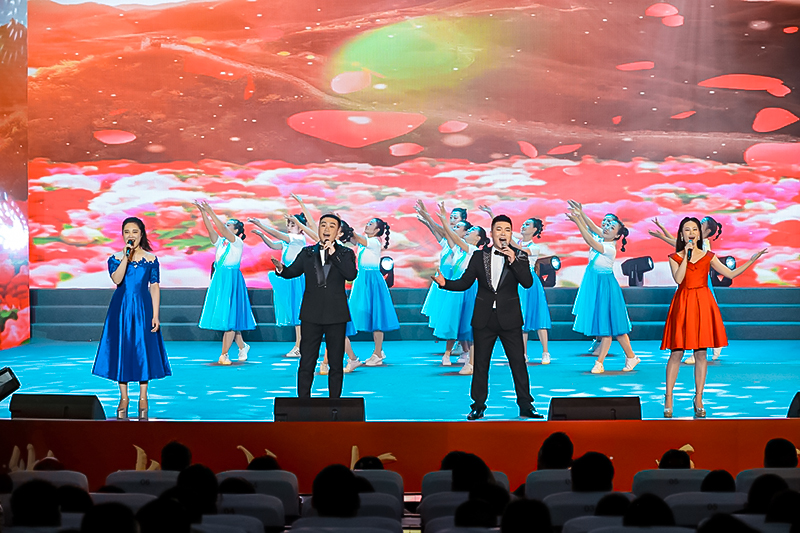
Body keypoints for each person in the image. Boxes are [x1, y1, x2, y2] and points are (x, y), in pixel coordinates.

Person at [433, 215, 544, 420]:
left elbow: (528, 282)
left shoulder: (520, 256)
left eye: (507, 230)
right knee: (481, 364)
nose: (503, 233)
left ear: (511, 234)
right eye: (499, 229)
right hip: (484, 318)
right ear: (492, 233)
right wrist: (445, 283)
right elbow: (465, 282)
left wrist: (514, 260)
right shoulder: (479, 256)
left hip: (510, 318)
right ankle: (478, 405)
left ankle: (526, 405)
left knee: (518, 363)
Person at [662, 217, 767, 418]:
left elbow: (730, 274)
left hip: (702, 303)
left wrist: (751, 260)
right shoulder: (674, 257)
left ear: (699, 234)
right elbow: (679, 279)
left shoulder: (709, 256)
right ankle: (668, 397)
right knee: (676, 353)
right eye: (687, 229)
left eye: (694, 229)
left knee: (701, 353)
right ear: (681, 234)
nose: (691, 233)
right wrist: (686, 257)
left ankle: (698, 398)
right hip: (683, 303)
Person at [92, 216, 171, 421]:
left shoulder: (151, 259)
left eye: (135, 232)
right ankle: (124, 397)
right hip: (121, 309)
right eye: (127, 232)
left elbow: (154, 287)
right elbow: (117, 279)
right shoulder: (115, 258)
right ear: (122, 235)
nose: (131, 235)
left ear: (141, 234)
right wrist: (126, 257)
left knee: (143, 348)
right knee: (123, 349)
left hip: (143, 308)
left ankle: (144, 397)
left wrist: (156, 314)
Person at [273, 213, 358, 398]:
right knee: (307, 361)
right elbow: (292, 271)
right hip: (311, 314)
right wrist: (281, 270)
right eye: (323, 225)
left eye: (331, 226)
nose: (326, 229)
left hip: (336, 315)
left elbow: (350, 274)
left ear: (338, 232)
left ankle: (334, 403)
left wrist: (333, 253)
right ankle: (303, 402)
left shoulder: (345, 253)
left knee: (335, 363)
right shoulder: (307, 252)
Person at [566, 201, 639, 373]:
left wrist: (578, 222)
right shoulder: (603, 238)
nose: (606, 228)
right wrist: (582, 214)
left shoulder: (609, 248)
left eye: (612, 227)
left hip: (606, 287)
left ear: (617, 235)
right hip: (598, 284)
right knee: (616, 328)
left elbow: (590, 240)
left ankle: (599, 362)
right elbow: (593, 228)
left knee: (609, 327)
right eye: (606, 225)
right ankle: (631, 357)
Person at [650, 214, 725, 362]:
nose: (694, 229)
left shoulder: (704, 245)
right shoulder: (692, 243)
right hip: (689, 279)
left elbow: (675, 242)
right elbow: (678, 242)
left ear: (707, 231)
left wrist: (661, 236)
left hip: (699, 281)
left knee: (702, 316)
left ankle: (709, 346)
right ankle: (699, 348)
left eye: (700, 226)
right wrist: (662, 229)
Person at [196, 200, 256, 365]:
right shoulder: (221, 242)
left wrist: (211, 211)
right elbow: (211, 229)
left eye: (229, 225)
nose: (225, 226)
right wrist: (203, 213)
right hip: (220, 279)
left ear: (236, 230)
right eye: (226, 224)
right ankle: (242, 346)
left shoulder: (237, 242)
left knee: (230, 318)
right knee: (229, 316)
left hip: (232, 280)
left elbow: (221, 229)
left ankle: (224, 354)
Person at [434, 202, 490, 374]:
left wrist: (444, 220)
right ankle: (455, 354)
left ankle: (470, 357)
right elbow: (451, 237)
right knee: (455, 320)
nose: (468, 232)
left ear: (477, 239)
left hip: (470, 290)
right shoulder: (459, 250)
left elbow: (454, 237)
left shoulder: (472, 249)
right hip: (458, 288)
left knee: (469, 324)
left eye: (472, 231)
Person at [416, 200, 472, 365]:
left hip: (457, 281)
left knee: (458, 315)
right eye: (451, 218)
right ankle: (458, 346)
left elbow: (444, 230)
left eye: (456, 218)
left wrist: (430, 217)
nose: (452, 221)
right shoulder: (449, 243)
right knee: (448, 314)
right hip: (445, 279)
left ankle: (463, 347)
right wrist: (427, 219)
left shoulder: (464, 245)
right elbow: (438, 231)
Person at [250, 213, 308, 358]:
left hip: (297, 278)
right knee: (295, 313)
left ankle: (299, 346)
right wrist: (261, 235)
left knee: (298, 313)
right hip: (289, 277)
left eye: (293, 224)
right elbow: (273, 244)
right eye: (288, 224)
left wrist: (260, 225)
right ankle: (300, 345)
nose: (289, 227)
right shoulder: (288, 241)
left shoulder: (298, 238)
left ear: (301, 228)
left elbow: (277, 234)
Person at [346, 217, 400, 366]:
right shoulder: (364, 242)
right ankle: (379, 351)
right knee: (368, 315)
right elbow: (352, 239)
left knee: (377, 317)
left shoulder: (374, 242)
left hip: (372, 280)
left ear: (377, 230)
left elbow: (356, 237)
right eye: (368, 223)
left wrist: (346, 226)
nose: (367, 225)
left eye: (371, 224)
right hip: (362, 279)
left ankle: (377, 353)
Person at [517, 217, 552, 364]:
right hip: (517, 281)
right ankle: (523, 353)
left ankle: (545, 352)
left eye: (527, 224)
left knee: (539, 316)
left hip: (530, 281)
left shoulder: (534, 247)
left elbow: (521, 250)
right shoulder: (516, 241)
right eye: (523, 224)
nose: (523, 226)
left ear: (534, 230)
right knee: (521, 319)